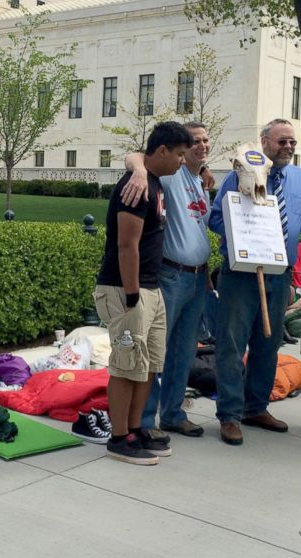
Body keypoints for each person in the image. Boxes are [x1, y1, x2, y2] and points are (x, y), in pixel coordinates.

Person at [208, 118, 301, 446]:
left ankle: (256, 407)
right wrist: (247, 236)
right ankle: (229, 414)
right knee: (232, 343)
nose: (288, 147)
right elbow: (215, 217)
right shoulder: (240, 173)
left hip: (279, 274)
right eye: (281, 141)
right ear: (264, 142)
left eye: (292, 142)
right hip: (242, 273)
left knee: (268, 344)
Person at [94, 121, 192, 465]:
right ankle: (118, 437)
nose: (183, 161)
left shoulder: (154, 182)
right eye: (179, 154)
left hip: (151, 289)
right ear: (162, 151)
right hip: (126, 289)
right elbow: (126, 245)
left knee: (148, 364)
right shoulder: (135, 188)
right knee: (125, 365)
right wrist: (133, 296)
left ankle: (135, 428)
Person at [122, 122, 213, 438]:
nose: (202, 145)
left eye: (206, 140)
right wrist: (136, 170)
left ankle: (173, 414)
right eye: (194, 142)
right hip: (171, 275)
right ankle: (144, 421)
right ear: (180, 149)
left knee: (184, 351)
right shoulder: (169, 176)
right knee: (154, 351)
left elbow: (198, 228)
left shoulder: (199, 181)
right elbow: (136, 154)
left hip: (199, 278)